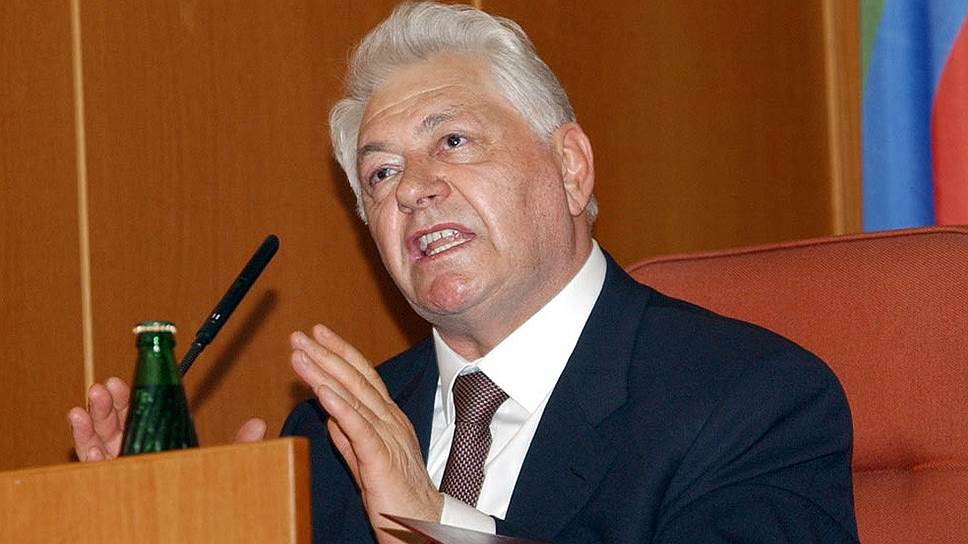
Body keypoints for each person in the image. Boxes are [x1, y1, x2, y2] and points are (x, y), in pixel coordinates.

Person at [68, 2, 858, 542]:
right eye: (381, 174)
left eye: (452, 141)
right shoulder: (326, 441)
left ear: (570, 167)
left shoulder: (749, 399)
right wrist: (175, 522)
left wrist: (437, 522)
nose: (413, 188)